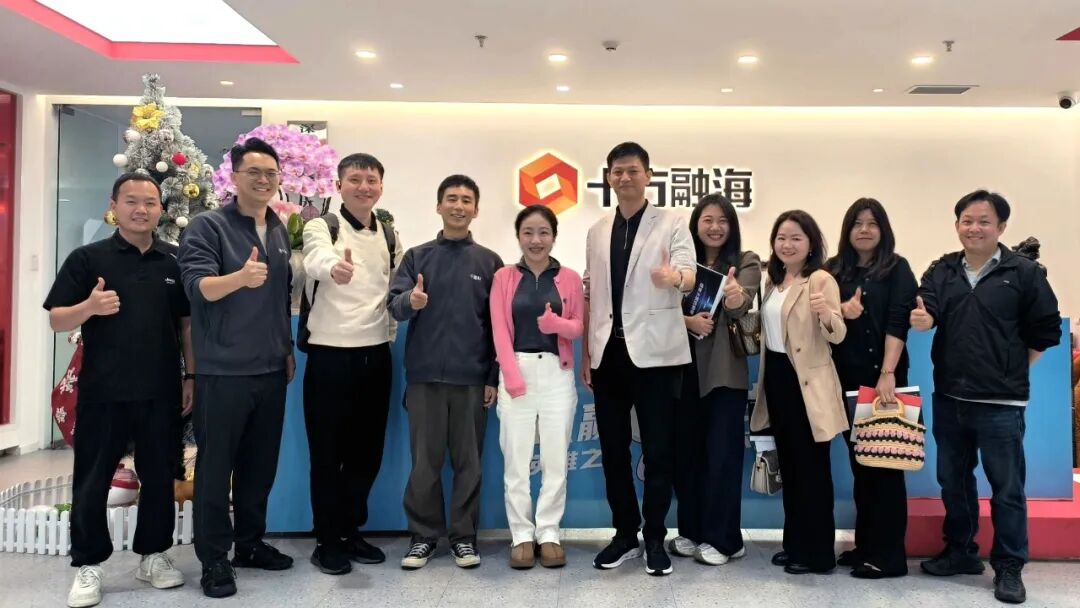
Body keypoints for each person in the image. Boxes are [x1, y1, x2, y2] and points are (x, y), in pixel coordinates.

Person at [46, 173, 191, 608]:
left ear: (161, 209)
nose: (141, 209)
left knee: (160, 478)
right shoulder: (87, 258)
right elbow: (57, 319)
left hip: (161, 390)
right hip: (103, 391)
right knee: (92, 481)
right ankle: (88, 564)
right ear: (114, 205)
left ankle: (154, 555)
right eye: (131, 201)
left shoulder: (174, 261)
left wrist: (192, 377)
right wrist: (90, 306)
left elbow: (186, 325)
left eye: (150, 202)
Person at [912, 190, 1061, 605]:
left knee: (1006, 488)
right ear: (957, 224)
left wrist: (1013, 369)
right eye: (967, 220)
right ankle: (960, 551)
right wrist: (923, 318)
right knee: (953, 480)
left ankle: (1009, 565)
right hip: (950, 397)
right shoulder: (943, 269)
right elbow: (928, 306)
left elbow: (1047, 330)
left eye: (983, 221)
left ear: (1001, 227)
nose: (974, 228)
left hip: (1001, 403)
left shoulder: (1024, 273)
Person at [178, 137, 296, 599]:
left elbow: (279, 299)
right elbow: (197, 288)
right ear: (234, 177)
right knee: (215, 469)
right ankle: (214, 559)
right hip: (222, 371)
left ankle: (249, 544)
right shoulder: (208, 226)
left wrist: (286, 349)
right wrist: (240, 278)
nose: (264, 180)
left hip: (270, 370)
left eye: (271, 173)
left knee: (259, 465)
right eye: (254, 172)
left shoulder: (279, 229)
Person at [582, 142, 696, 576]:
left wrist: (674, 277)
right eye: (617, 171)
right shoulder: (597, 230)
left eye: (632, 170)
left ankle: (654, 538)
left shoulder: (672, 222)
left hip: (657, 355)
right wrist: (587, 354)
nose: (625, 178)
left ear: (648, 175)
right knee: (613, 451)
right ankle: (625, 534)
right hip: (608, 354)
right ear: (609, 177)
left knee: (659, 451)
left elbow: (689, 274)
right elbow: (592, 292)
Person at [388, 174, 503, 569]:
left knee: (470, 465)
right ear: (439, 206)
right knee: (425, 464)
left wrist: (492, 377)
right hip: (425, 379)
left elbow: (498, 327)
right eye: (451, 198)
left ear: (476, 210)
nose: (458, 206)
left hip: (472, 380)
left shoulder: (490, 262)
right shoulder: (417, 257)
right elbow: (394, 305)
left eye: (466, 200)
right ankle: (423, 537)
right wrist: (412, 299)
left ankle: (464, 538)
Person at [300, 153, 403, 574]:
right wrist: (333, 268)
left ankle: (349, 530)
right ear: (339, 185)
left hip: (375, 354)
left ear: (381, 186)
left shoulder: (389, 234)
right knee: (327, 454)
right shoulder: (322, 226)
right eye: (355, 179)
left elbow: (397, 285)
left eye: (371, 179)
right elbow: (314, 258)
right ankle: (326, 540)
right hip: (329, 355)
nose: (364, 186)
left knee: (367, 453)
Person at [749, 209, 847, 575]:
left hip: (807, 384)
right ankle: (795, 545)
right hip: (777, 381)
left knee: (813, 471)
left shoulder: (819, 279)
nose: (787, 245)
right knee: (789, 469)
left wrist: (826, 314)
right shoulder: (773, 281)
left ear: (810, 244)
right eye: (781, 238)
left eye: (796, 238)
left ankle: (818, 553)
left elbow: (838, 334)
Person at [824, 198, 917, 579]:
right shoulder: (833, 270)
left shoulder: (897, 268)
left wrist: (888, 372)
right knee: (862, 464)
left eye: (872, 223)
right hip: (844, 380)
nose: (864, 230)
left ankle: (890, 556)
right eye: (857, 223)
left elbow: (898, 321)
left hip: (884, 380)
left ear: (883, 230)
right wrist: (841, 312)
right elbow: (822, 319)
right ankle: (866, 545)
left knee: (887, 466)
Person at [490, 205, 584, 569]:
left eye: (543, 232)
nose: (536, 240)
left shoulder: (570, 278)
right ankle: (521, 535)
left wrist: (557, 325)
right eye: (528, 232)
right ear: (518, 236)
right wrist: (511, 376)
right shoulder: (504, 277)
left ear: (554, 237)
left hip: (558, 375)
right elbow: (499, 330)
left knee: (555, 460)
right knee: (516, 460)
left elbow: (578, 327)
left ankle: (548, 533)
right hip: (517, 370)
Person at [670, 194, 761, 566]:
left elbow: (742, 307)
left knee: (722, 457)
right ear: (696, 224)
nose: (715, 227)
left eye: (722, 220)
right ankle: (691, 531)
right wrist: (686, 321)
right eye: (707, 219)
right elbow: (659, 308)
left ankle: (724, 539)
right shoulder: (681, 265)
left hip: (724, 374)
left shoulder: (746, 261)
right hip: (682, 370)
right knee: (686, 455)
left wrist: (735, 296)